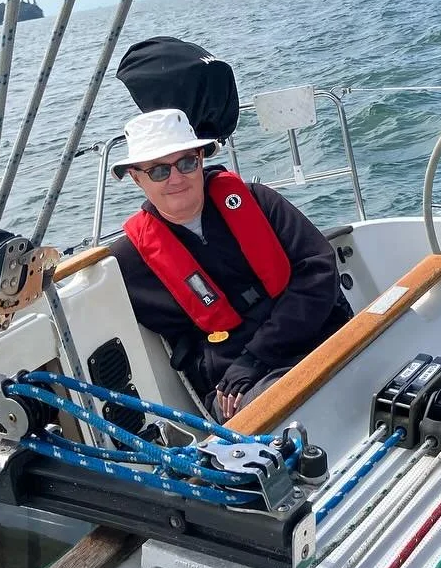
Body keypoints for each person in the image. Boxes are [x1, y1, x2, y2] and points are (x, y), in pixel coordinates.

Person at [108, 107, 352, 421]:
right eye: (159, 171)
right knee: (280, 413)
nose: (176, 178)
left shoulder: (259, 202)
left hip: (318, 334)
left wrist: (257, 354)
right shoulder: (129, 261)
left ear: (200, 159)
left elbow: (318, 271)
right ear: (136, 178)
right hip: (239, 382)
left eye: (186, 162)